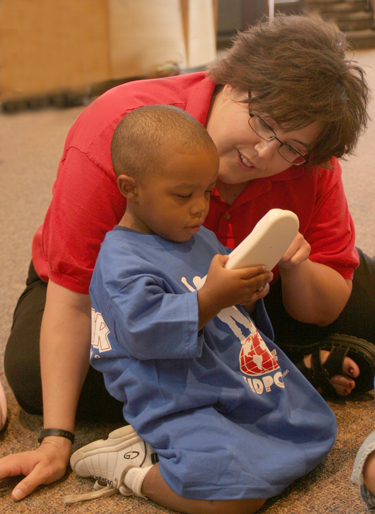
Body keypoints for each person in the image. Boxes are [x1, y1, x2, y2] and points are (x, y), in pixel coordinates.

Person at [0, 13, 373, 502]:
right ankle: (265, 377)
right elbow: (72, 300)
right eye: (263, 122)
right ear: (235, 81)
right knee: (35, 374)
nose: (262, 153)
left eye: (290, 147)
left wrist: (293, 266)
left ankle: (267, 371)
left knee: (365, 305)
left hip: (237, 290)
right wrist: (56, 440)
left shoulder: (310, 163)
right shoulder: (123, 132)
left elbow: (327, 300)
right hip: (114, 290)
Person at [64, 104, 337, 513]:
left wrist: (247, 292)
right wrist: (212, 297)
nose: (199, 208)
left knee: (311, 431)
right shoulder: (120, 261)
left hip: (225, 379)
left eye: (205, 193)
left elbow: (227, 308)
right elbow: (144, 331)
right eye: (182, 195)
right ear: (130, 187)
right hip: (179, 399)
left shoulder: (199, 236)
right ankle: (130, 470)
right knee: (237, 500)